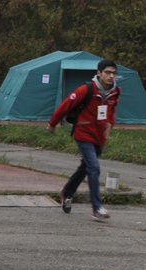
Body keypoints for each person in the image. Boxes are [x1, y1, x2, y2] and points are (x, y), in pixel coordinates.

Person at [50, 58, 121, 221]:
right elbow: (66, 105)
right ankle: (97, 207)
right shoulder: (87, 89)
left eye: (113, 73)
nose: (111, 76)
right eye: (107, 73)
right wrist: (53, 123)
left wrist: (110, 125)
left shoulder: (115, 92)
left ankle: (67, 192)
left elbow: (111, 110)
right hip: (83, 133)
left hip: (99, 136)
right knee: (94, 167)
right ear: (99, 73)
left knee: (85, 167)